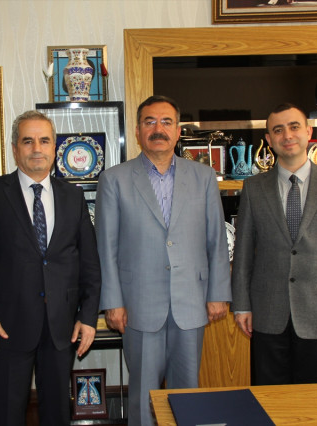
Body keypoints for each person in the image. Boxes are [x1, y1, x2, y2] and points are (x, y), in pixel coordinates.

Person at [96, 95, 231, 426]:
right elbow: (106, 247)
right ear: (138, 131)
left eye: (166, 122)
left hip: (192, 302)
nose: (158, 129)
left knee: (188, 394)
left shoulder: (203, 177)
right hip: (138, 305)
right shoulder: (114, 179)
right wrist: (113, 302)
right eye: (150, 122)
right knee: (143, 395)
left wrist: (218, 293)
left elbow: (216, 240)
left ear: (178, 131)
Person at [0, 110, 101, 425]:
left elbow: (89, 262)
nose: (37, 148)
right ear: (15, 149)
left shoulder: (73, 196)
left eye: (44, 141)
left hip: (61, 326)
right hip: (5, 327)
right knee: (9, 413)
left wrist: (88, 316)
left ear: (54, 148)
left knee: (57, 413)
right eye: (28, 141)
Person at [231, 102, 317, 385]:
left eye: (294, 127)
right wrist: (242, 305)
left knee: (313, 398)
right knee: (270, 396)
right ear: (269, 140)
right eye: (278, 130)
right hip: (268, 310)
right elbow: (243, 253)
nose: (287, 135)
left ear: (308, 132)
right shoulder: (254, 188)